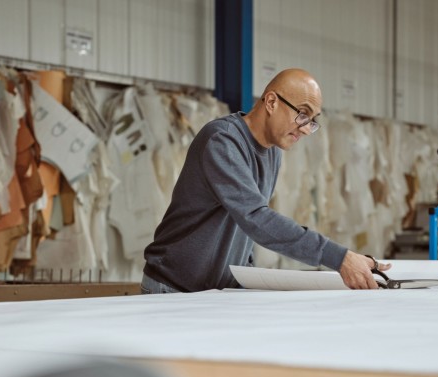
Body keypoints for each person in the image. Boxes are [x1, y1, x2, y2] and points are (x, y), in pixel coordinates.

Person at [142, 68, 390, 293]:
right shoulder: (222, 142)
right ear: (271, 101)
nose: (305, 129)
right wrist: (339, 257)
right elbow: (255, 217)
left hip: (215, 293)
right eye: (302, 114)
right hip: (173, 288)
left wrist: (247, 276)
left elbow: (242, 229)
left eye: (312, 120)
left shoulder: (272, 151)